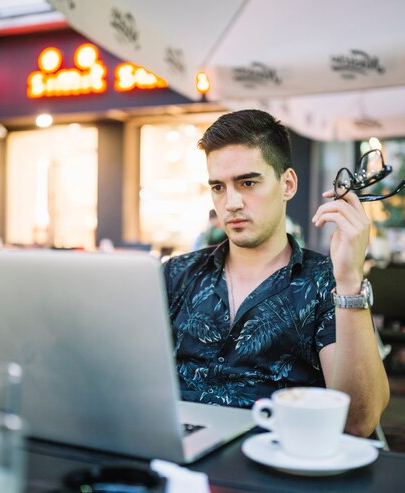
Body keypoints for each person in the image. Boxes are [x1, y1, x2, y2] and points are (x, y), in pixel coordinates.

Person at [163, 109, 389, 437]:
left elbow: (358, 422)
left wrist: (350, 281)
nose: (231, 203)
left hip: (274, 465)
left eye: (248, 182)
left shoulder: (325, 281)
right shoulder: (177, 274)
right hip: (176, 458)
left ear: (287, 184)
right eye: (218, 187)